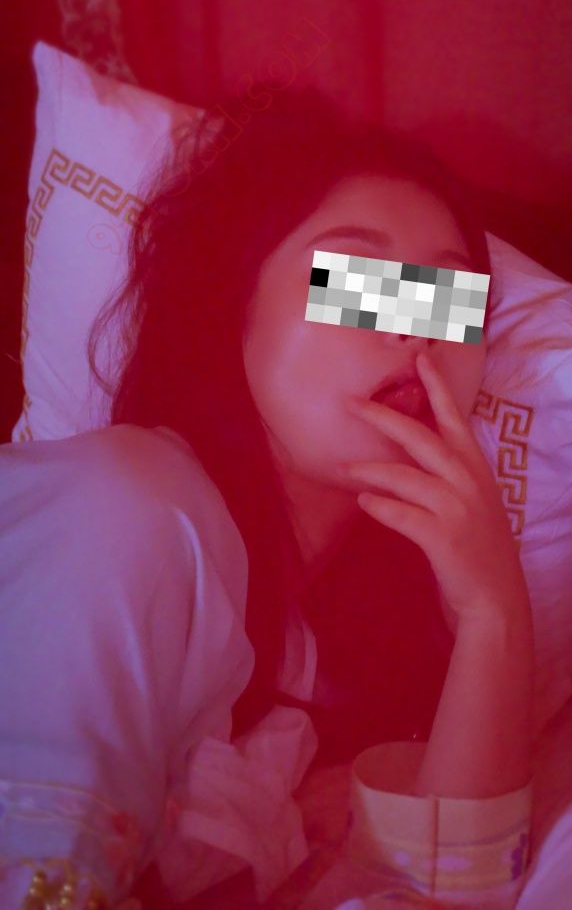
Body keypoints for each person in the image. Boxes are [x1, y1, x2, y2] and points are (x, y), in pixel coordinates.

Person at [0, 85, 537, 909]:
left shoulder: (330, 675)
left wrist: (493, 618)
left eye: (446, 298)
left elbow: (445, 894)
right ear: (234, 305)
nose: (412, 328)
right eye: (357, 281)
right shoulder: (125, 505)